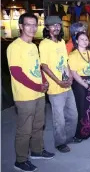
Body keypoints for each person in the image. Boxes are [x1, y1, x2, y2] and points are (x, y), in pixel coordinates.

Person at [7, 13, 54, 172]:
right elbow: (16, 73)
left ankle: (37, 151)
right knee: (24, 129)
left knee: (38, 125)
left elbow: (37, 67)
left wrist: (44, 81)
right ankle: (20, 160)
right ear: (21, 26)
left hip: (39, 93)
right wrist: (36, 86)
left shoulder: (33, 46)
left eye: (35, 25)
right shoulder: (15, 47)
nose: (33, 28)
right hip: (25, 96)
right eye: (28, 24)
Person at [39, 16, 79, 153]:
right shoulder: (44, 44)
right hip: (55, 88)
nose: (56, 27)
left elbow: (65, 61)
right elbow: (43, 65)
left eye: (58, 25)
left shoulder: (61, 42)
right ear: (47, 28)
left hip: (67, 84)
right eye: (52, 25)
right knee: (59, 119)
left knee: (73, 115)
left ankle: (69, 137)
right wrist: (57, 81)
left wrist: (70, 77)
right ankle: (60, 142)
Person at [68, 32, 90, 140]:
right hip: (80, 83)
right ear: (76, 41)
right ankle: (82, 132)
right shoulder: (73, 55)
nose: (85, 41)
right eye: (82, 39)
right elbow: (74, 73)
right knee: (82, 107)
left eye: (86, 39)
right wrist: (86, 85)